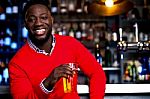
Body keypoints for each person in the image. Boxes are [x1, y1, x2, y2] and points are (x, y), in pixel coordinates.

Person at [8, 0, 106, 99]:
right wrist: (48, 82)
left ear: (51, 20)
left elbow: (97, 72)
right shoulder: (17, 64)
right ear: (25, 25)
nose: (38, 23)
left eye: (44, 17)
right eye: (32, 19)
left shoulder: (70, 44)